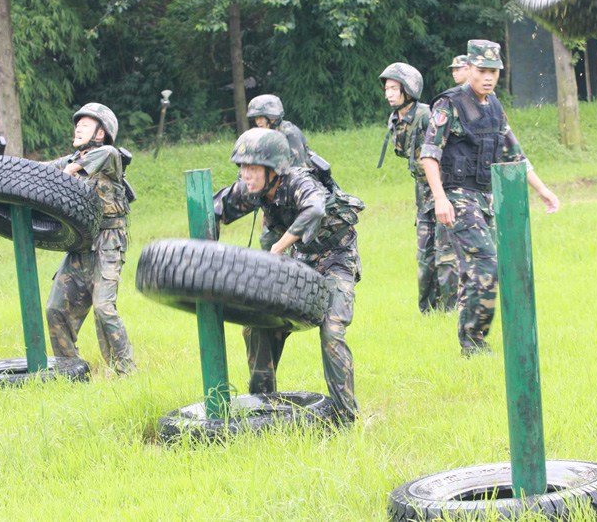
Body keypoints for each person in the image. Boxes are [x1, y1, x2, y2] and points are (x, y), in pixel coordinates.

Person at [214, 128, 364, 424]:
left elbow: (314, 209)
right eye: (242, 167)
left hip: (336, 260)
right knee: (257, 326)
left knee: (332, 332)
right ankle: (262, 409)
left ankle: (347, 418)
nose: (247, 175)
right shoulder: (251, 187)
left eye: (253, 168)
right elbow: (214, 208)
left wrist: (278, 248)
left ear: (273, 170)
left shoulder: (299, 182)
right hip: (301, 263)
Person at [421, 39, 559, 356]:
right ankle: (474, 341)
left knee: (476, 271)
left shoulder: (494, 106)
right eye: (482, 70)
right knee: (487, 263)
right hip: (456, 197)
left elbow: (515, 155)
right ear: (468, 68)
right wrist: (440, 199)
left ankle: (471, 343)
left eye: (494, 71)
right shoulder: (450, 104)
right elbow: (429, 155)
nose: (488, 77)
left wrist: (543, 191)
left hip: (485, 199)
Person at [44, 103, 135, 375]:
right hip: (80, 243)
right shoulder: (72, 159)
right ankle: (71, 370)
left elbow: (94, 159)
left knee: (104, 309)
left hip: (108, 242)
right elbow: (40, 172)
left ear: (101, 133)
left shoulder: (110, 155)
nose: (78, 127)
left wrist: (71, 169)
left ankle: (125, 373)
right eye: (77, 123)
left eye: (86, 123)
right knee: (56, 309)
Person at [377, 62, 458, 314]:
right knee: (425, 255)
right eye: (387, 88)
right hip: (422, 195)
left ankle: (451, 310)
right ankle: (428, 311)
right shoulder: (396, 119)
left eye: (394, 88)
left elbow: (441, 152)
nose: (389, 93)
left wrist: (442, 195)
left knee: (445, 255)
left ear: (408, 90)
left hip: (442, 190)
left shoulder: (425, 115)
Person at [246, 94, 312, 168]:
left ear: (272, 117)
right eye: (256, 118)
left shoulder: (289, 133)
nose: (257, 122)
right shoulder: (262, 135)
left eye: (261, 117)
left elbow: (298, 167)